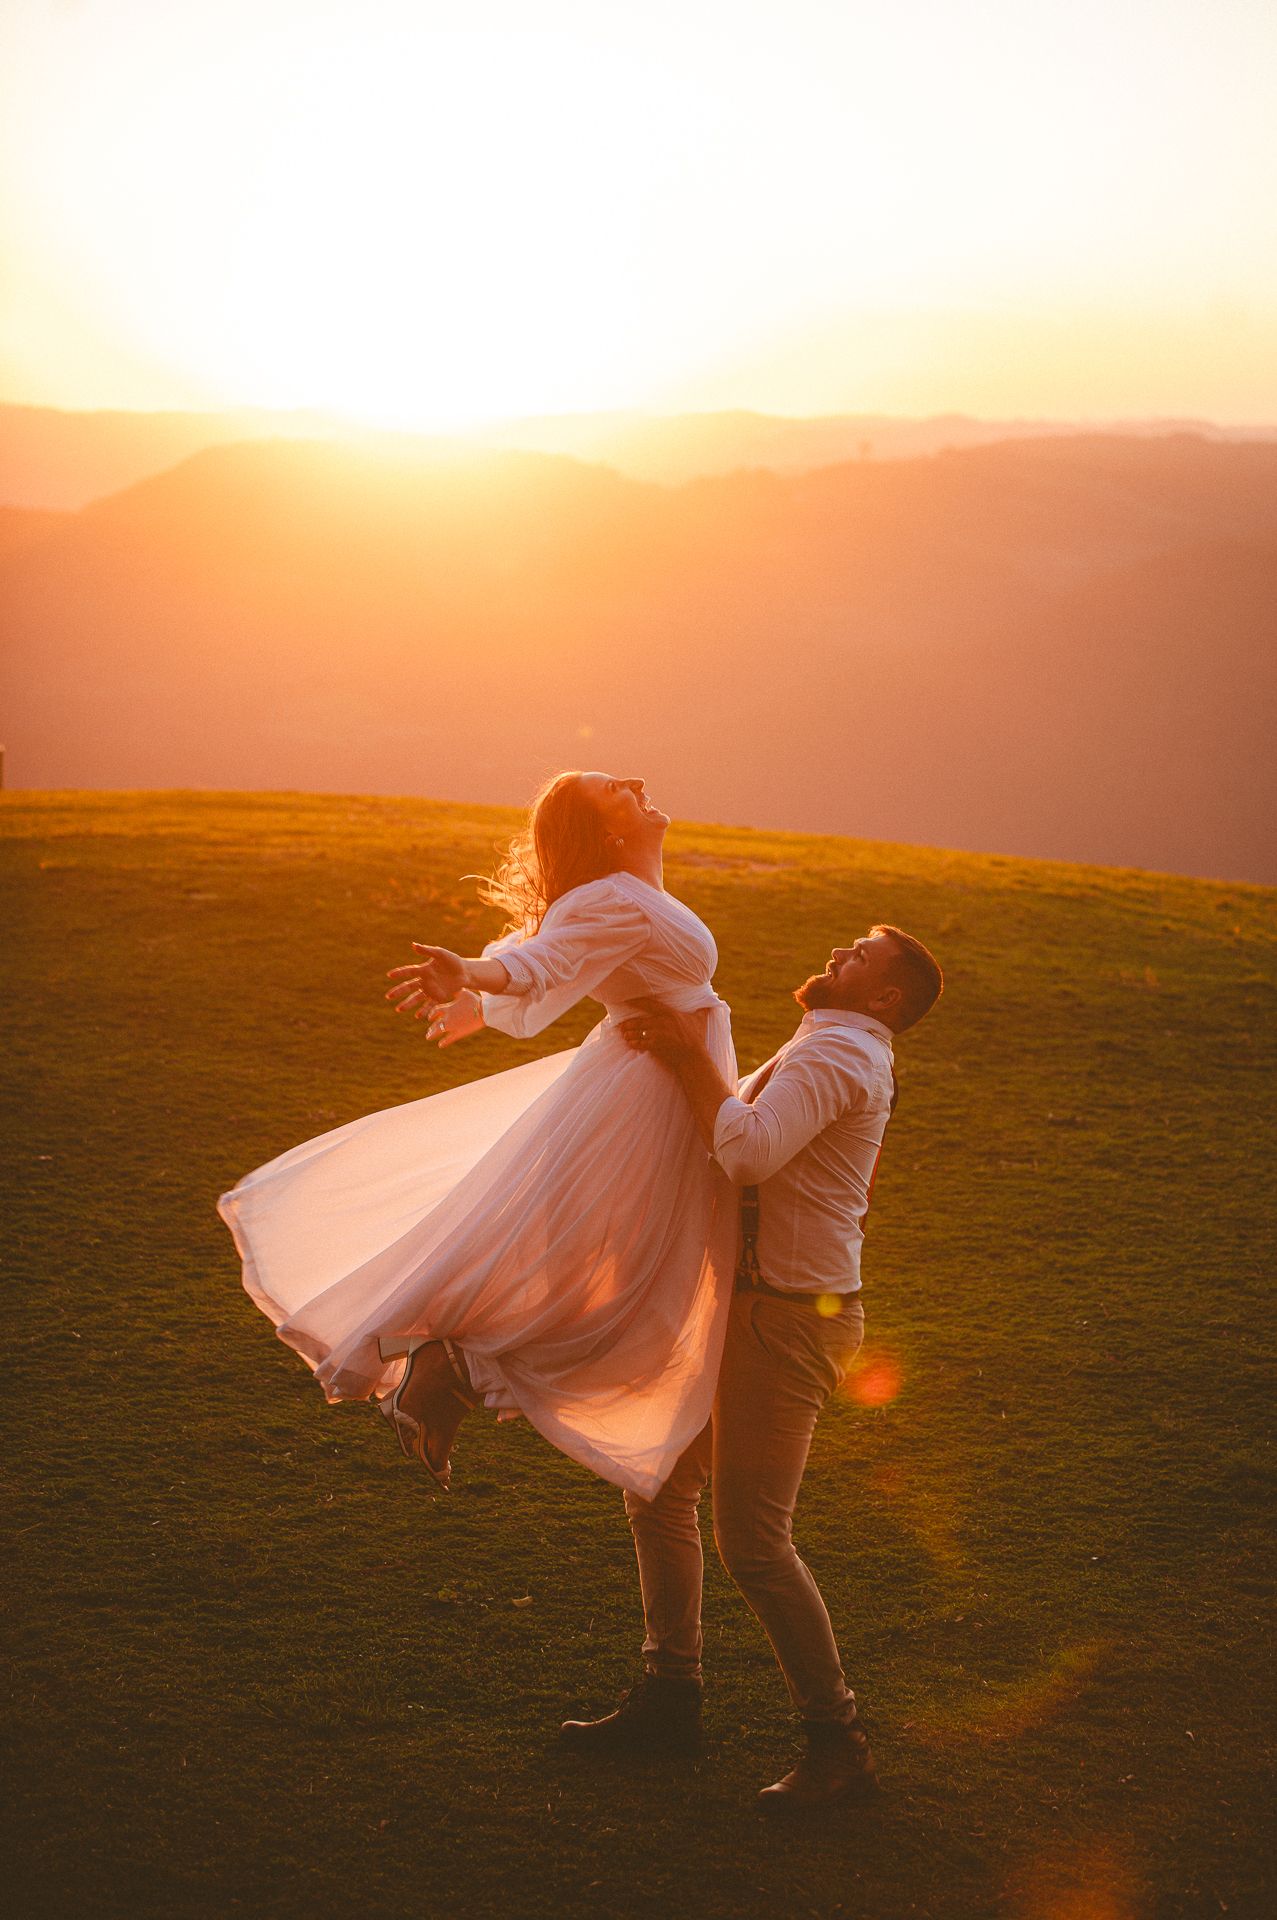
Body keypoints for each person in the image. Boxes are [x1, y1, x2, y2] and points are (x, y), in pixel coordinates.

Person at [217, 771, 738, 1499]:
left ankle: (452, 1369)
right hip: (644, 1097)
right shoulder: (609, 898)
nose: (636, 780)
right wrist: (473, 975)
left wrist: (477, 1007)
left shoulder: (625, 894)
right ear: (608, 832)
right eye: (612, 786)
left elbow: (555, 951)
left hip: (663, 1083)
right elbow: (539, 961)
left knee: (625, 1270)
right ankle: (449, 1368)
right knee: (609, 1276)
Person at [560, 925, 943, 1811]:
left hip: (785, 1323)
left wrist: (695, 1060)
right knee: (656, 1489)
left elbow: (746, 1150)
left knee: (755, 1543)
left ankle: (838, 1743)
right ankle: (669, 1696)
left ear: (884, 998)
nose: (838, 952)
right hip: (756, 1309)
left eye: (857, 955)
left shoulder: (842, 1052)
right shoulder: (831, 1042)